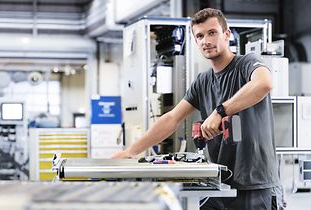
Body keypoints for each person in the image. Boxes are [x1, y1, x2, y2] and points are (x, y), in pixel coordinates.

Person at [112, 8, 280, 210]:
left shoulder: (247, 63)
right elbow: (172, 118)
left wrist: (220, 112)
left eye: (212, 33)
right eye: (199, 36)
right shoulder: (203, 81)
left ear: (226, 35)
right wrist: (131, 151)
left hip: (255, 183)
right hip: (218, 181)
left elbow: (264, 84)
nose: (205, 41)